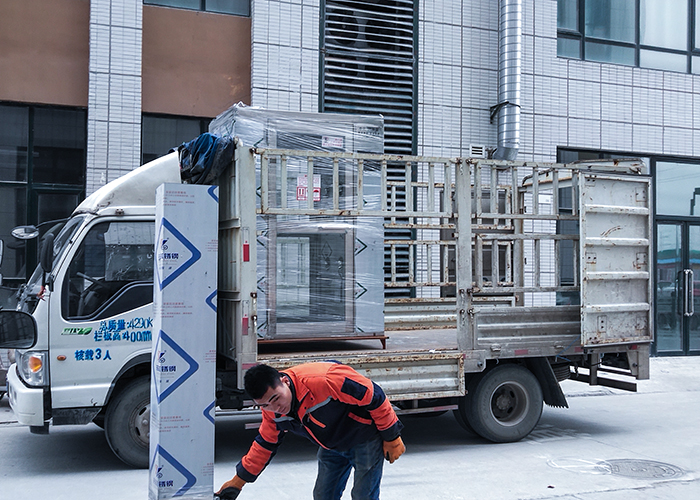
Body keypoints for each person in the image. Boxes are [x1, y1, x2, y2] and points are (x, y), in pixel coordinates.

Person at [215, 362, 405, 500]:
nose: (275, 407)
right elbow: (265, 444)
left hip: (364, 439)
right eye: (264, 405)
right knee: (323, 495)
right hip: (331, 445)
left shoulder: (324, 380)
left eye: (276, 398)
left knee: (363, 496)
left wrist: (391, 436)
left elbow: (375, 396)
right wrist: (239, 481)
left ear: (284, 382)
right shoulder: (271, 411)